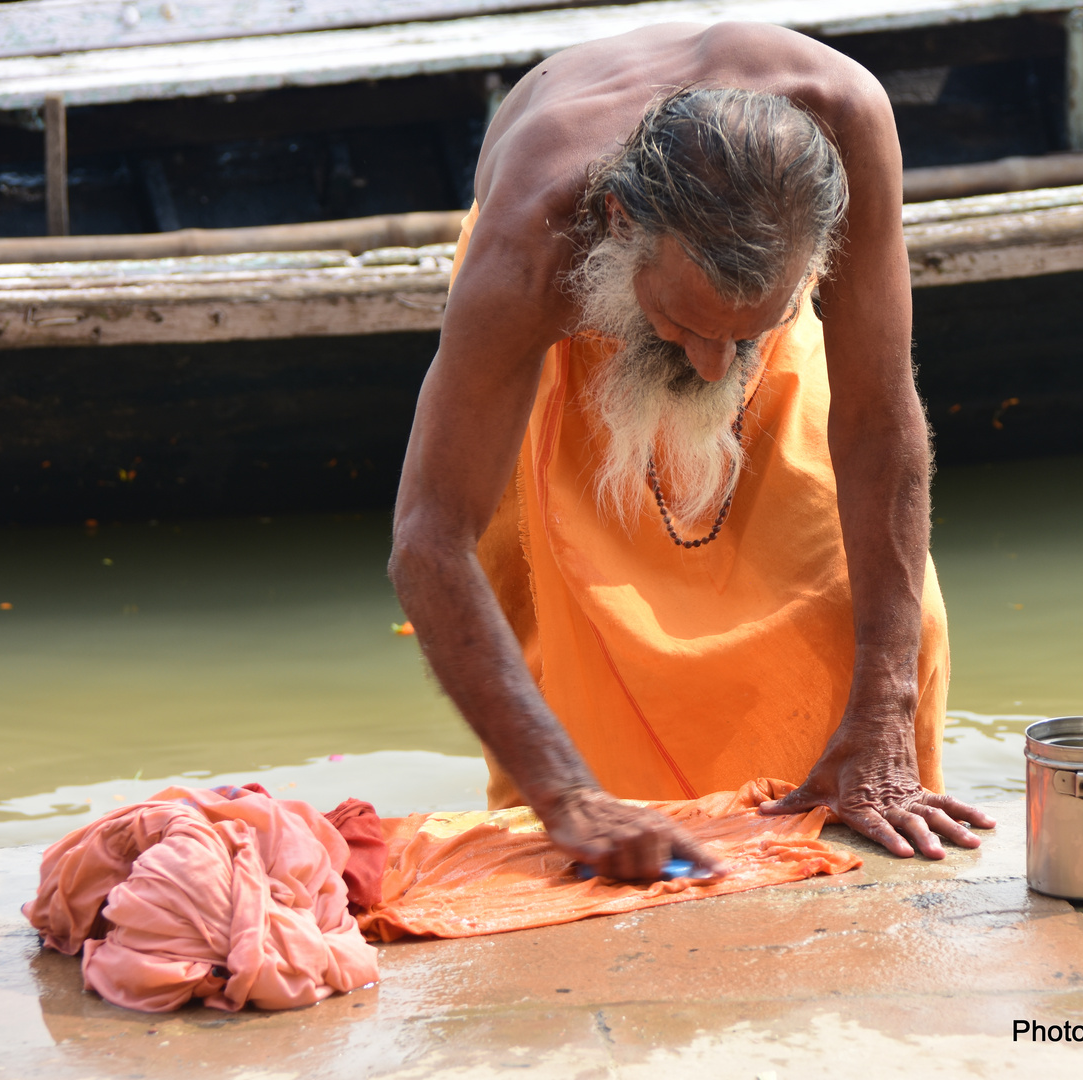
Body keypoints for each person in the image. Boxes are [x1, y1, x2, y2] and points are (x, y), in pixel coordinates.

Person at [389, 21, 995, 882]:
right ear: (618, 220)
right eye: (685, 330)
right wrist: (566, 795)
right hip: (579, 313)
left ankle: (862, 775)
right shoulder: (535, 242)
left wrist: (884, 710)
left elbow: (878, 419)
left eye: (742, 339)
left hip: (735, 286)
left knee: (872, 613)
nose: (713, 368)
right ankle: (605, 823)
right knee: (575, 637)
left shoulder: (847, 125)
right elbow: (429, 537)